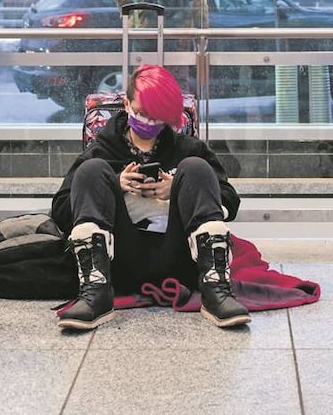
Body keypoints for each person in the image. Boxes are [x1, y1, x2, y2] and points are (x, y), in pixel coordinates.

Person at [50, 63, 250, 330]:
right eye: (142, 113)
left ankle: (215, 289)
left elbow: (229, 202)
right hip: (118, 260)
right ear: (127, 103)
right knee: (92, 171)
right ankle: (95, 292)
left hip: (180, 258)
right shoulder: (101, 151)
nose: (148, 123)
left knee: (195, 167)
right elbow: (60, 211)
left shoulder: (188, 148)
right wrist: (113, 188)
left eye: (158, 117)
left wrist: (178, 191)